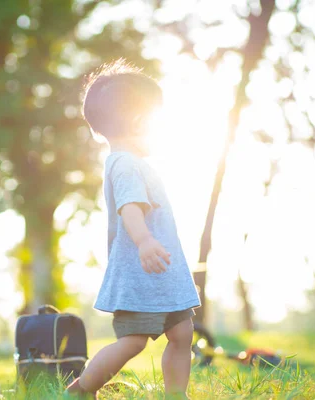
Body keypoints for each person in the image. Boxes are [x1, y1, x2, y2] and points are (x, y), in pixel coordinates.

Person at [66, 60, 201, 399]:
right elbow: (130, 208)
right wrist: (144, 242)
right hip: (141, 273)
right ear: (141, 121)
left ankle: (175, 394)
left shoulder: (133, 162)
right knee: (133, 342)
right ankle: (81, 389)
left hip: (162, 273)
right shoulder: (125, 164)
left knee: (182, 332)